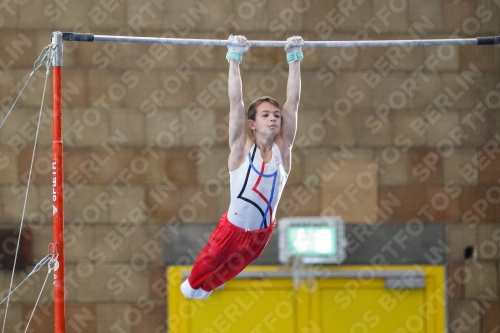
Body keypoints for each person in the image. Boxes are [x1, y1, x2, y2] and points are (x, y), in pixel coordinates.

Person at [180, 34, 303, 299]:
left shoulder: (284, 151)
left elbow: (292, 103)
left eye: (276, 115)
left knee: (226, 274)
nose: (273, 119)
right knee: (204, 270)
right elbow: (235, 103)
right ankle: (192, 286)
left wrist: (294, 59)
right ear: (252, 124)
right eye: (266, 115)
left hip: (261, 235)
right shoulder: (240, 149)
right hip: (231, 232)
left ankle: (203, 289)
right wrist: (234, 58)